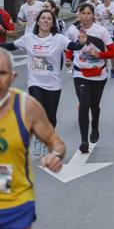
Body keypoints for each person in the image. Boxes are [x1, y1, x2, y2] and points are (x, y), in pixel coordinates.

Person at [0, 49, 66, 229]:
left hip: (16, 202)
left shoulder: (26, 106)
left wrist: (56, 155)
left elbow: (56, 142)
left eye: (2, 73)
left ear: (13, 77)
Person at [0, 10, 81, 156]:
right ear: (38, 22)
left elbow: (75, 47)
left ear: (52, 23)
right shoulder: (29, 38)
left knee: (50, 117)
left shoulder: (58, 39)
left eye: (49, 19)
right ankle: (37, 139)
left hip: (53, 83)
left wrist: (82, 41)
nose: (45, 21)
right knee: (38, 111)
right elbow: (12, 46)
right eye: (43, 18)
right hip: (35, 82)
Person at [65, 3, 114, 153]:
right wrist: (68, 58)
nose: (86, 16)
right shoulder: (72, 30)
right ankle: (84, 141)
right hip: (80, 73)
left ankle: (95, 126)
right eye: (83, 13)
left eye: (89, 13)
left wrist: (99, 54)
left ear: (93, 15)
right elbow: (69, 47)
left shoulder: (101, 31)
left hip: (98, 74)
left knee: (94, 105)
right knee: (84, 103)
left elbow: (113, 53)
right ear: (79, 15)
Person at [95, 0, 114, 78]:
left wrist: (110, 14)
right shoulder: (99, 7)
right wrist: (98, 18)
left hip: (113, 31)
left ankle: (113, 68)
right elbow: (97, 18)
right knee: (105, 51)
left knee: (113, 52)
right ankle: (105, 67)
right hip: (103, 32)